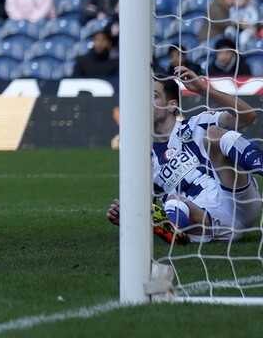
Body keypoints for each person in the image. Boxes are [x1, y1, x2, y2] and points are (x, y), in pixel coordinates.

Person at [107, 68, 262, 242]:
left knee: (214, 134)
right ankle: (174, 232)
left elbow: (247, 116)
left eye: (153, 95)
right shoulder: (143, 160)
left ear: (172, 105)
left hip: (238, 198)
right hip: (205, 221)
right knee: (173, 201)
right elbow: (143, 207)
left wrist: (203, 90)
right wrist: (127, 216)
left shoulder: (198, 124)